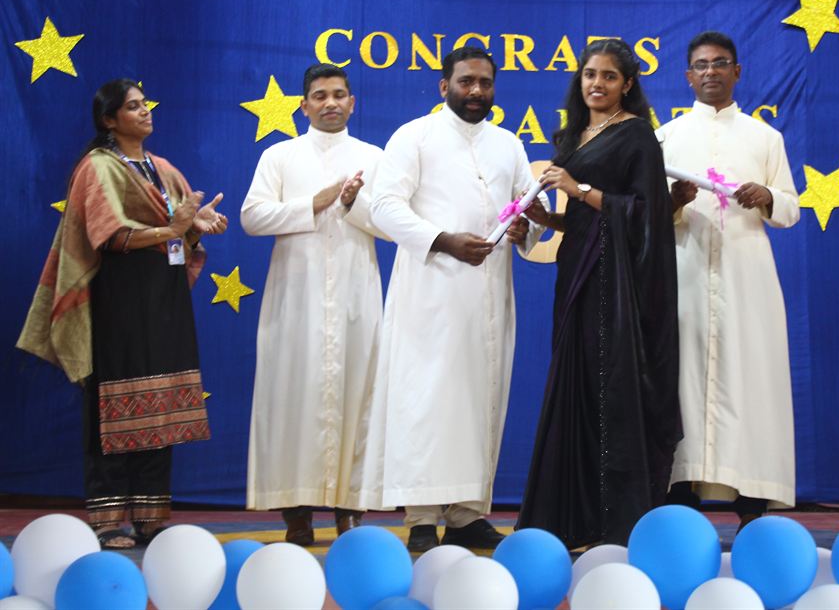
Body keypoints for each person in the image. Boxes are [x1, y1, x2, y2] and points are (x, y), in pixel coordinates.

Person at [17, 79, 227, 549]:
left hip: (165, 299)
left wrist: (195, 228)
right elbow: (109, 236)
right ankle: (109, 519)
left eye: (145, 103)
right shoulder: (98, 168)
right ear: (109, 120)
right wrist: (171, 229)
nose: (144, 111)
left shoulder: (162, 168)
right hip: (119, 299)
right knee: (113, 403)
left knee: (161, 403)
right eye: (132, 106)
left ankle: (151, 515)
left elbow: (178, 231)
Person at [357, 46, 543, 553]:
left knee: (481, 397)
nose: (476, 91)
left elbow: (531, 203)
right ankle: (421, 517)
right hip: (430, 291)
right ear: (445, 86)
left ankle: (467, 515)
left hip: (490, 295)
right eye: (466, 82)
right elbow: (385, 206)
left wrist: (525, 228)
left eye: (485, 82)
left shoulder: (508, 144)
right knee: (427, 399)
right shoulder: (414, 136)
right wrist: (444, 240)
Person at [516, 38, 682, 549]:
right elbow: (587, 221)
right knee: (577, 382)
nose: (597, 84)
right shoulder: (576, 133)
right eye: (590, 74)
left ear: (627, 84)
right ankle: (570, 517)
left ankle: (614, 521)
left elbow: (645, 213)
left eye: (609, 76)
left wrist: (577, 188)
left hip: (614, 282)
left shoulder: (637, 135)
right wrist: (550, 217)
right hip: (576, 274)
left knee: (607, 386)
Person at [657, 31, 800, 528]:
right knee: (683, 377)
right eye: (701, 65)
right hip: (686, 270)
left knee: (750, 376)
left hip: (747, 274)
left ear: (737, 71)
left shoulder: (765, 138)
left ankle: (752, 498)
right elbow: (648, 216)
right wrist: (673, 203)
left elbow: (790, 209)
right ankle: (681, 492)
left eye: (720, 63)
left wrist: (768, 196)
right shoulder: (667, 138)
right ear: (688, 76)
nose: (711, 72)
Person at [241, 64, 387, 545]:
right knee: (292, 396)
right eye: (320, 96)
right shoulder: (279, 155)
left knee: (358, 393)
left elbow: (392, 224)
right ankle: (296, 514)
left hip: (355, 294)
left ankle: (351, 510)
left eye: (339, 95)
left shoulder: (373, 158)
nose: (330, 103)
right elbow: (253, 217)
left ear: (352, 103)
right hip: (296, 297)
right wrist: (317, 202)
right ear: (303, 106)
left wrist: (353, 204)